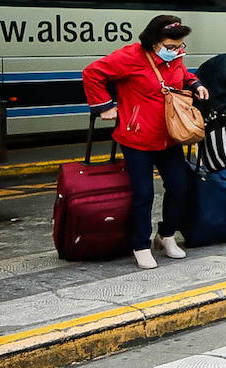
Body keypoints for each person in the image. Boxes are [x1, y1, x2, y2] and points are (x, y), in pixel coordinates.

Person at [82, 15, 209, 268]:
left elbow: (183, 73)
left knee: (179, 186)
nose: (177, 51)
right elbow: (92, 73)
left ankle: (166, 235)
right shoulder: (130, 57)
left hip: (169, 137)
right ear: (153, 42)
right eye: (171, 47)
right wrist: (105, 107)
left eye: (180, 46)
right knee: (143, 194)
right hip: (136, 138)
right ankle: (140, 244)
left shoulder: (175, 58)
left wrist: (195, 84)